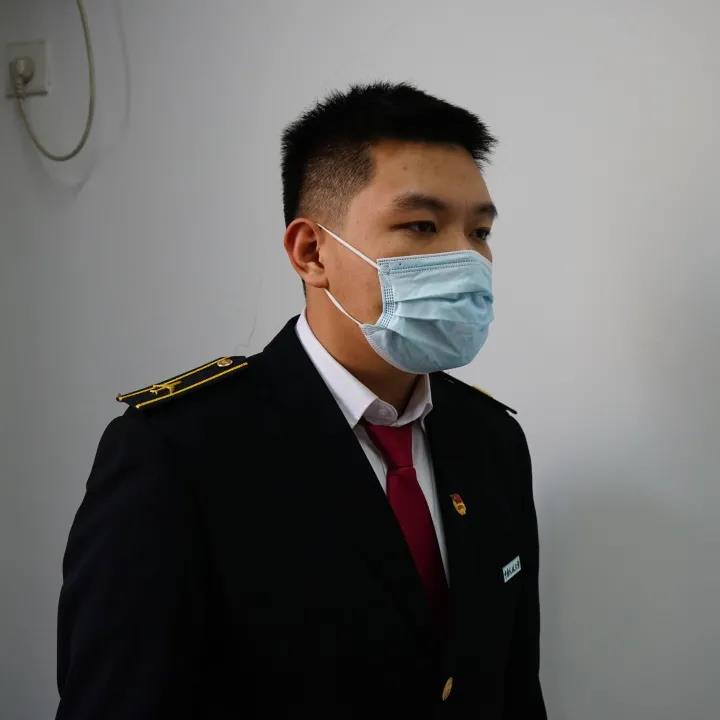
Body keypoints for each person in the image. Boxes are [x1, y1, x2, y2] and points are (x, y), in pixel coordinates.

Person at [55, 80, 547, 719]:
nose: (466, 257)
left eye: (479, 231)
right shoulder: (179, 451)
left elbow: (513, 689)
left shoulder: (493, 441)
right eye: (421, 226)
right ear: (311, 252)